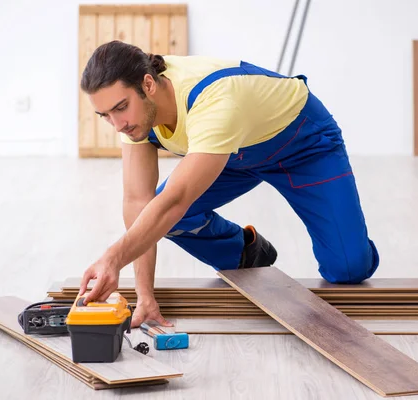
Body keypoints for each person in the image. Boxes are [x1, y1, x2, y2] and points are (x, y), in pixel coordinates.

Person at [78, 40, 380, 327]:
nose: (117, 124)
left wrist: (113, 259)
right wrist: (144, 297)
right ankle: (245, 251)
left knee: (348, 269)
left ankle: (350, 239)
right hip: (232, 155)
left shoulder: (213, 97)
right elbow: (137, 203)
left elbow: (174, 200)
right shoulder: (135, 115)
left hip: (303, 146)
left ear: (148, 84)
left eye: (120, 108)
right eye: (105, 115)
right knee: (156, 218)